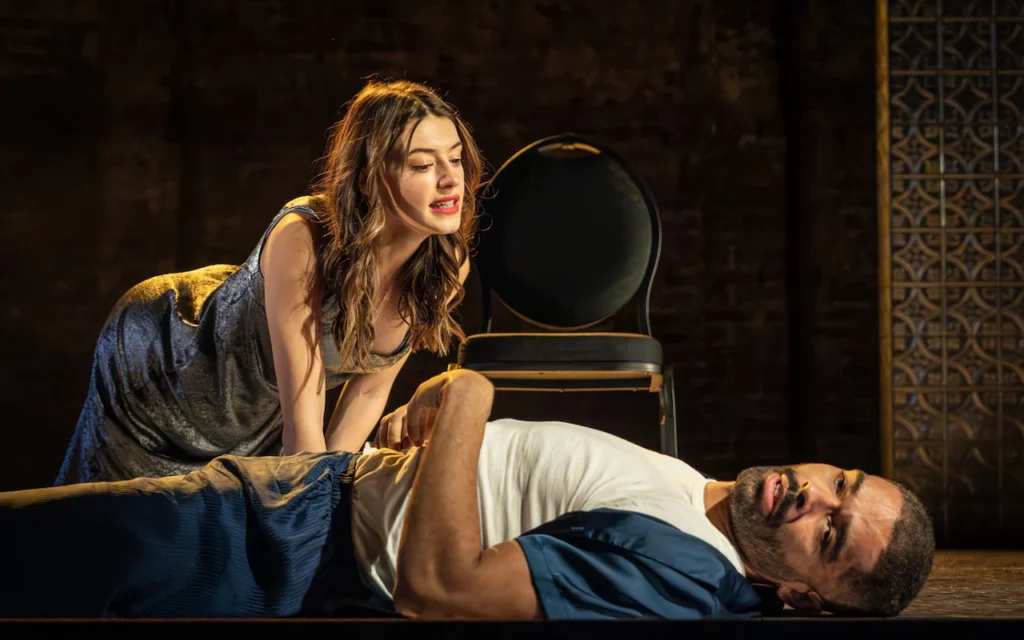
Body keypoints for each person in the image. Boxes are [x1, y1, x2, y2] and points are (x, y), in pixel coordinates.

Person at [3, 369, 934, 619]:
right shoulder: (695, 498)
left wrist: (468, 401)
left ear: (802, 595)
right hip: (309, 495)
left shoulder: (687, 573)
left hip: (280, 551)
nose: (811, 496)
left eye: (829, 532)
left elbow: (438, 591)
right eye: (838, 481)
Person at [54, 78, 482, 485]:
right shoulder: (304, 237)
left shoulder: (446, 264)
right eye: (423, 164)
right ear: (370, 175)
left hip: (260, 415)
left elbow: (369, 392)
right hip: (168, 371)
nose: (450, 179)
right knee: (120, 525)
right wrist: (312, 492)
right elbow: (303, 433)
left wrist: (329, 491)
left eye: (456, 158)